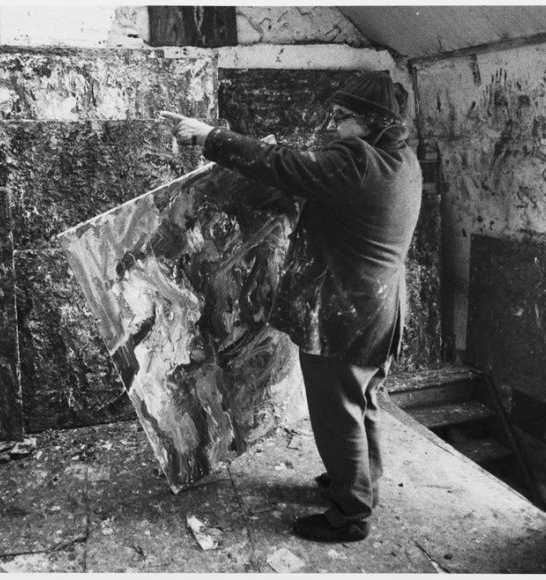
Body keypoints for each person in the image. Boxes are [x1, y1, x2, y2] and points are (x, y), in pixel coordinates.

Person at [161, 70, 422, 543]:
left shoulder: (358, 160)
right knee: (363, 402)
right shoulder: (402, 159)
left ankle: (350, 515)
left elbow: (286, 166)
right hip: (381, 309)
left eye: (343, 118)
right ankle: (361, 481)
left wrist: (210, 137)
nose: (336, 126)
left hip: (346, 313)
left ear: (368, 122)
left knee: (337, 412)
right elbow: (311, 175)